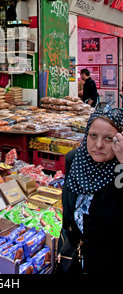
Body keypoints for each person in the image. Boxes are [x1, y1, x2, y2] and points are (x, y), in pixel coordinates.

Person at [55, 103, 123, 275]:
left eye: (109, 138)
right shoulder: (75, 160)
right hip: (73, 260)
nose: (98, 144)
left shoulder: (119, 171)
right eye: (93, 136)